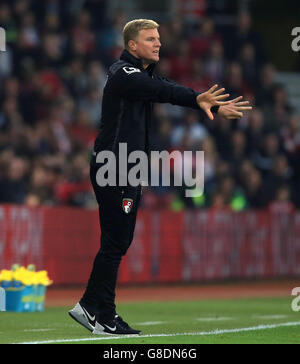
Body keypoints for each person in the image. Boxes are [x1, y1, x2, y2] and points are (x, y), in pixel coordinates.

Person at [69, 19, 252, 335]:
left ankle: (94, 308)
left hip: (127, 165)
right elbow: (163, 91)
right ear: (132, 45)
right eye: (150, 38)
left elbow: (162, 87)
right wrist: (197, 99)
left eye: (159, 38)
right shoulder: (122, 73)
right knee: (115, 241)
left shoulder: (141, 75)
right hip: (115, 164)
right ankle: (97, 311)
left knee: (117, 241)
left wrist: (207, 105)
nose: (158, 43)